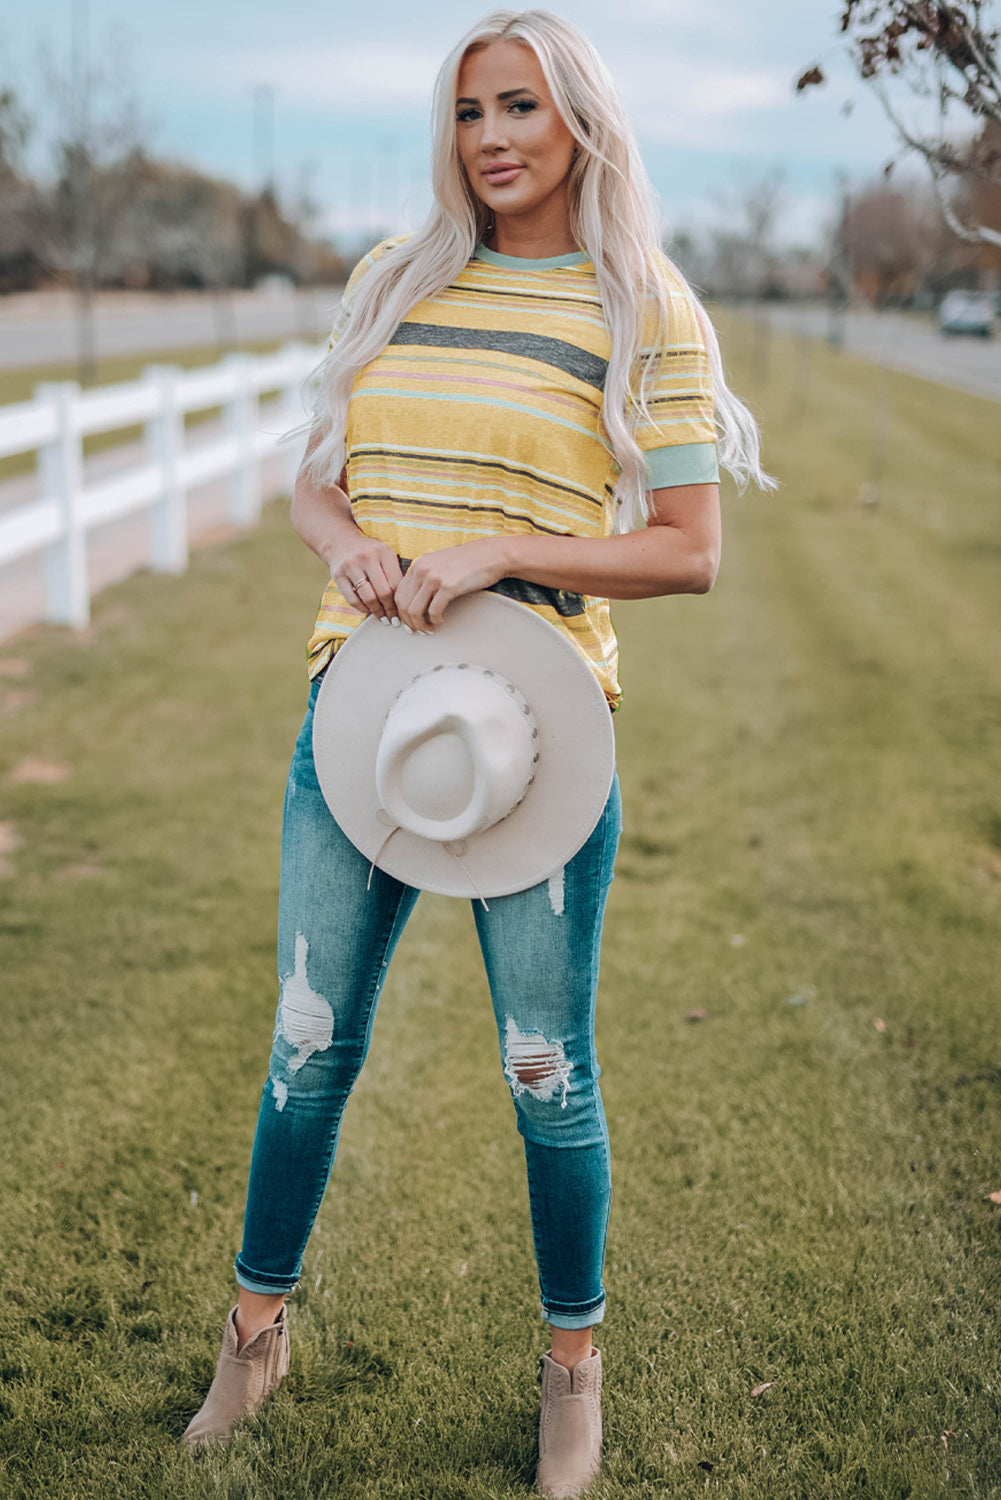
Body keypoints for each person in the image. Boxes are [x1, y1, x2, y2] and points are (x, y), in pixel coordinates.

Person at [181, 9, 773, 1494]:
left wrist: (502, 547)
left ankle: (570, 1369)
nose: (492, 136)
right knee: (306, 1050)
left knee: (541, 1068)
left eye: (519, 106)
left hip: (535, 750)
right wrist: (364, 551)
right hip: (360, 726)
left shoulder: (645, 306)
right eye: (467, 113)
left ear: (578, 117)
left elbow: (690, 552)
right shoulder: (398, 279)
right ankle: (253, 1333)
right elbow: (316, 488)